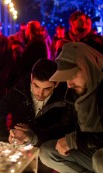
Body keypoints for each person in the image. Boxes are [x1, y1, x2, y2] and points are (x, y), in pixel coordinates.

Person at [0, 58, 75, 146]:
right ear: (31, 78)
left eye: (47, 88)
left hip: (49, 145)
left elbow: (65, 127)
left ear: (56, 84)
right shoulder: (20, 88)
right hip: (18, 142)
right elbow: (0, 109)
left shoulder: (65, 95)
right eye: (36, 86)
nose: (40, 93)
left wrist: (32, 135)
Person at [39, 42, 103, 173]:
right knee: (47, 152)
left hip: (99, 151)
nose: (69, 84)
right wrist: (33, 136)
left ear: (87, 67)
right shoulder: (77, 93)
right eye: (66, 78)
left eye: (72, 75)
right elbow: (66, 125)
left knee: (100, 159)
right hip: (92, 146)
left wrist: (74, 140)